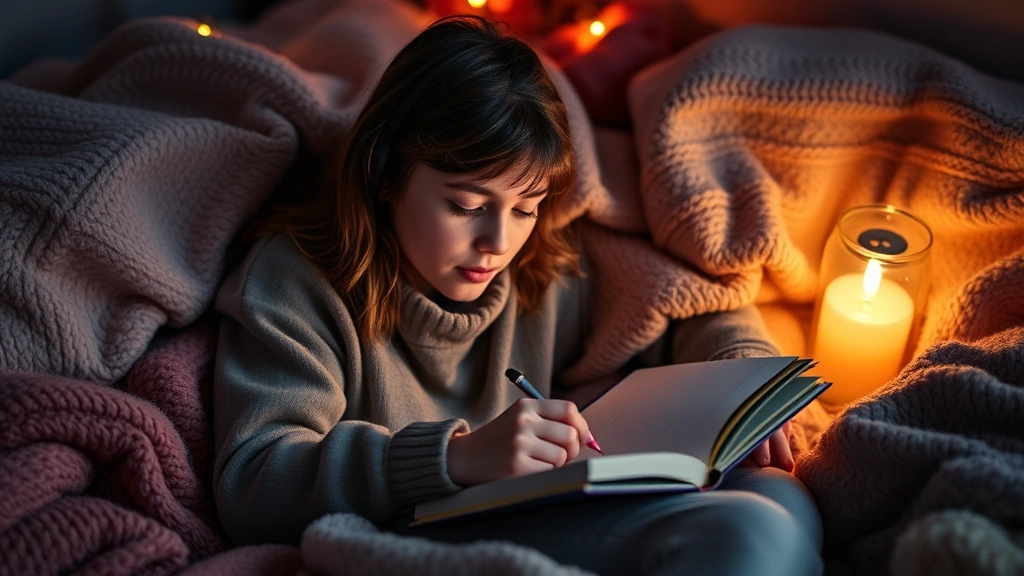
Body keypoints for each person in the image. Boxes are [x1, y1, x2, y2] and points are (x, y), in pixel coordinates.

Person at [212, 15, 823, 575]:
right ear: (385, 174)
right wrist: (453, 458)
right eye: (466, 206)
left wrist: (743, 365)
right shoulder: (297, 280)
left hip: (557, 501)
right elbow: (254, 481)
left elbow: (689, 298)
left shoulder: (536, 262)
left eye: (526, 208)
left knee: (776, 491)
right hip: (425, 527)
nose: (497, 243)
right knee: (747, 530)